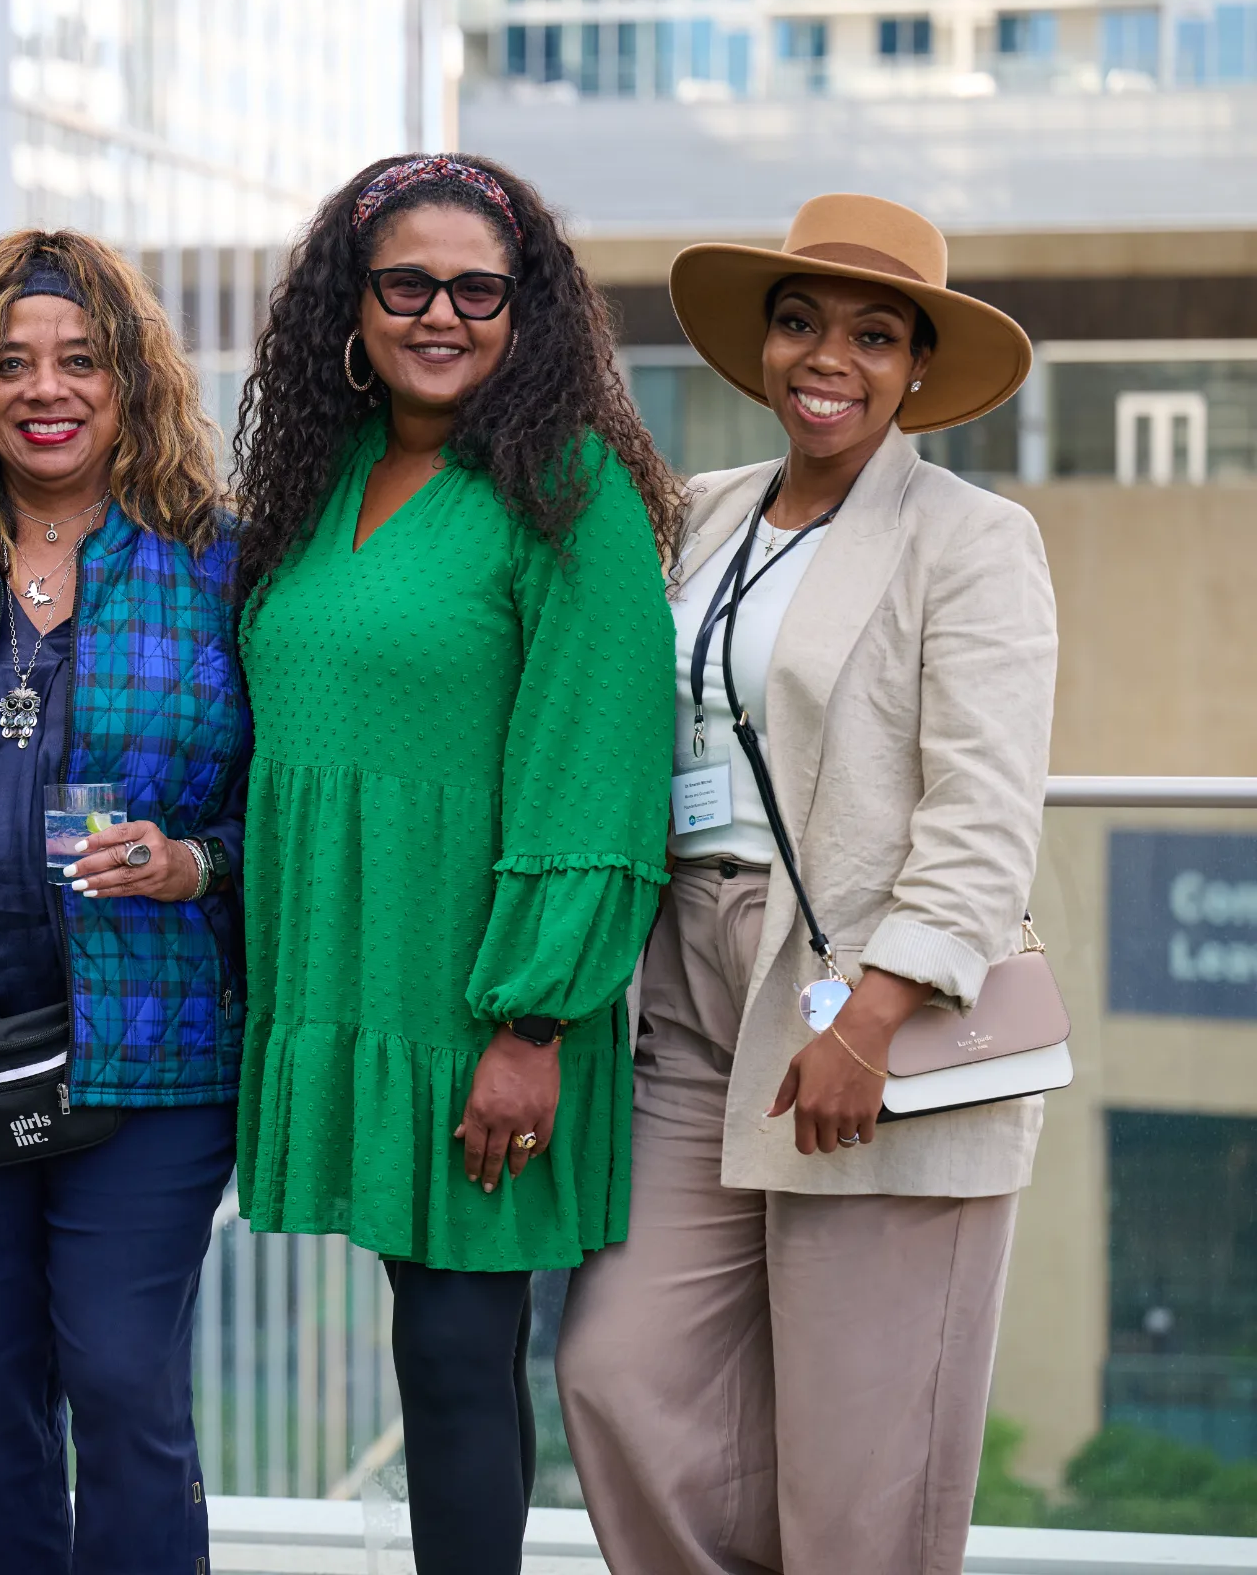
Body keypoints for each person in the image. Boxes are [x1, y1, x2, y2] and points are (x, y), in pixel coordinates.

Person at [556, 194, 1057, 1575]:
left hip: (865, 1003)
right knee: (620, 1376)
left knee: (863, 1463)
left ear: (913, 370)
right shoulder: (703, 516)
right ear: (763, 348)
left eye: (872, 335)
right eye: (799, 323)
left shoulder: (968, 538)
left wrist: (874, 1018)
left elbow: (984, 807)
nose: (826, 357)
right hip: (690, 997)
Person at [230, 156, 678, 1574]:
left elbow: (600, 769)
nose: (441, 314)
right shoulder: (327, 472)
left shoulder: (569, 486)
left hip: (482, 997)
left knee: (455, 1350)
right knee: (429, 1346)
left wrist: (531, 1022)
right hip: (353, 975)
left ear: (524, 307)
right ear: (349, 308)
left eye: (477, 288)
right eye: (405, 284)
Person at [0, 230, 251, 1573]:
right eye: (8, 364)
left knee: (124, 1384)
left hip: (150, 1053)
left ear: (134, 379)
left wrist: (196, 862)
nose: (44, 388)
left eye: (80, 359)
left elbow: (291, 810)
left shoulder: (223, 568)